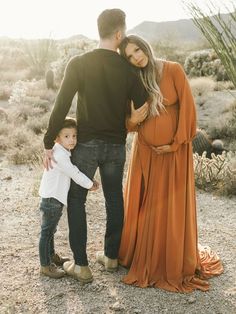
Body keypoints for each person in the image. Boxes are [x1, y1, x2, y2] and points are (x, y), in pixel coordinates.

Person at [43, 9, 148, 283]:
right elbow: (144, 102)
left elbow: (62, 104)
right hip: (115, 146)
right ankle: (111, 257)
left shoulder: (79, 63)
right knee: (114, 199)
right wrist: (132, 120)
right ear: (119, 34)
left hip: (86, 144)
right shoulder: (127, 68)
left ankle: (82, 266)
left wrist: (48, 141)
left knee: (77, 199)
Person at [118, 35, 224, 292]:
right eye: (130, 57)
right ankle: (142, 255)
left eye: (137, 51)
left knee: (171, 206)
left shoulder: (173, 69)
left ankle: (170, 258)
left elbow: (188, 107)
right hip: (146, 152)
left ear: (145, 46)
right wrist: (133, 118)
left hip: (174, 153)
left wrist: (176, 143)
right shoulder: (134, 79)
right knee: (147, 205)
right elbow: (128, 124)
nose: (136, 58)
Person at [39, 117, 98, 279]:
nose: (72, 140)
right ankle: (45, 265)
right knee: (47, 232)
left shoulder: (62, 151)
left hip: (54, 198)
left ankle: (51, 256)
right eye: (67, 136)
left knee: (51, 230)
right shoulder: (60, 154)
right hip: (52, 198)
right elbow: (74, 173)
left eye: (74, 136)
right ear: (57, 138)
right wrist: (90, 184)